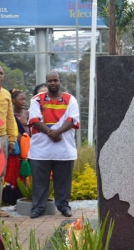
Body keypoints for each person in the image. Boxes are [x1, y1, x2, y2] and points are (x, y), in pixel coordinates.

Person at [28, 71, 80, 219]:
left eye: (55, 80)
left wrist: (58, 132)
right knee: (39, 181)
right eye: (50, 81)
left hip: (64, 149)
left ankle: (63, 206)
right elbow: (34, 120)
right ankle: (38, 208)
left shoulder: (70, 100)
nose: (52, 83)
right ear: (46, 81)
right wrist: (52, 133)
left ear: (59, 81)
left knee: (63, 181)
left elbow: (72, 120)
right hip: (41, 149)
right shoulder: (36, 100)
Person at [2, 90, 29, 205]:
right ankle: (10, 199)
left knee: (25, 173)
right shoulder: (10, 115)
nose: (23, 102)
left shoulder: (27, 114)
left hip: (26, 149)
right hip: (14, 149)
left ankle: (25, 197)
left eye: (25, 99)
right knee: (12, 173)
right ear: (13, 101)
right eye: (21, 99)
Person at [0, 66, 17, 217]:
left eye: (1, 73)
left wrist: (12, 140)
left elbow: (10, 118)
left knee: (0, 174)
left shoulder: (6, 94)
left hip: (2, 139)